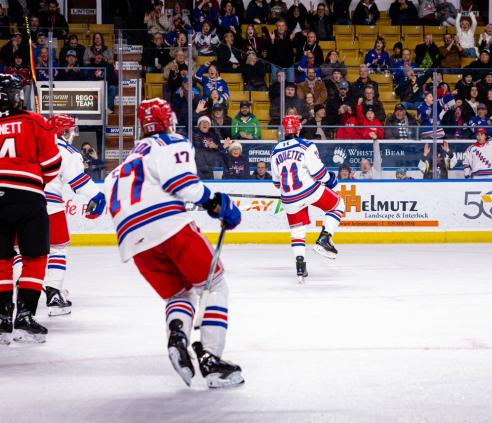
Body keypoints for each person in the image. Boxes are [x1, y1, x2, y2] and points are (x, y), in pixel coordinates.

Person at [103, 98, 244, 388]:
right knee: (214, 285)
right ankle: (212, 360)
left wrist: (206, 203)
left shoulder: (126, 161)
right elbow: (182, 185)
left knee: (179, 294)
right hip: (169, 228)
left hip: (133, 240)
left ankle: (178, 335)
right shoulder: (171, 142)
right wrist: (215, 203)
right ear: (168, 121)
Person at [0, 74, 61, 345]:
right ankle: (24, 317)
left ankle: (2, 318)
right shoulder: (34, 121)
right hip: (28, 198)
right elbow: (52, 166)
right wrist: (34, 181)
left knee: (1, 259)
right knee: (35, 256)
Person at [270, 115, 346, 282]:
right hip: (310, 191)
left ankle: (300, 265)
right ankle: (325, 238)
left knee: (298, 231)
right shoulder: (305, 145)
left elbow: (277, 183)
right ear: (298, 128)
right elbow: (319, 173)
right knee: (338, 204)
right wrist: (332, 181)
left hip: (289, 198)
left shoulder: (275, 151)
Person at [42, 116, 105, 316]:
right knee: (57, 249)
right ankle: (53, 291)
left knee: (18, 250)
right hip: (50, 204)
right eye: (71, 130)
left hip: (18, 201)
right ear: (64, 132)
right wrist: (98, 195)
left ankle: (20, 294)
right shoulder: (67, 151)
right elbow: (78, 181)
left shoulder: (32, 142)